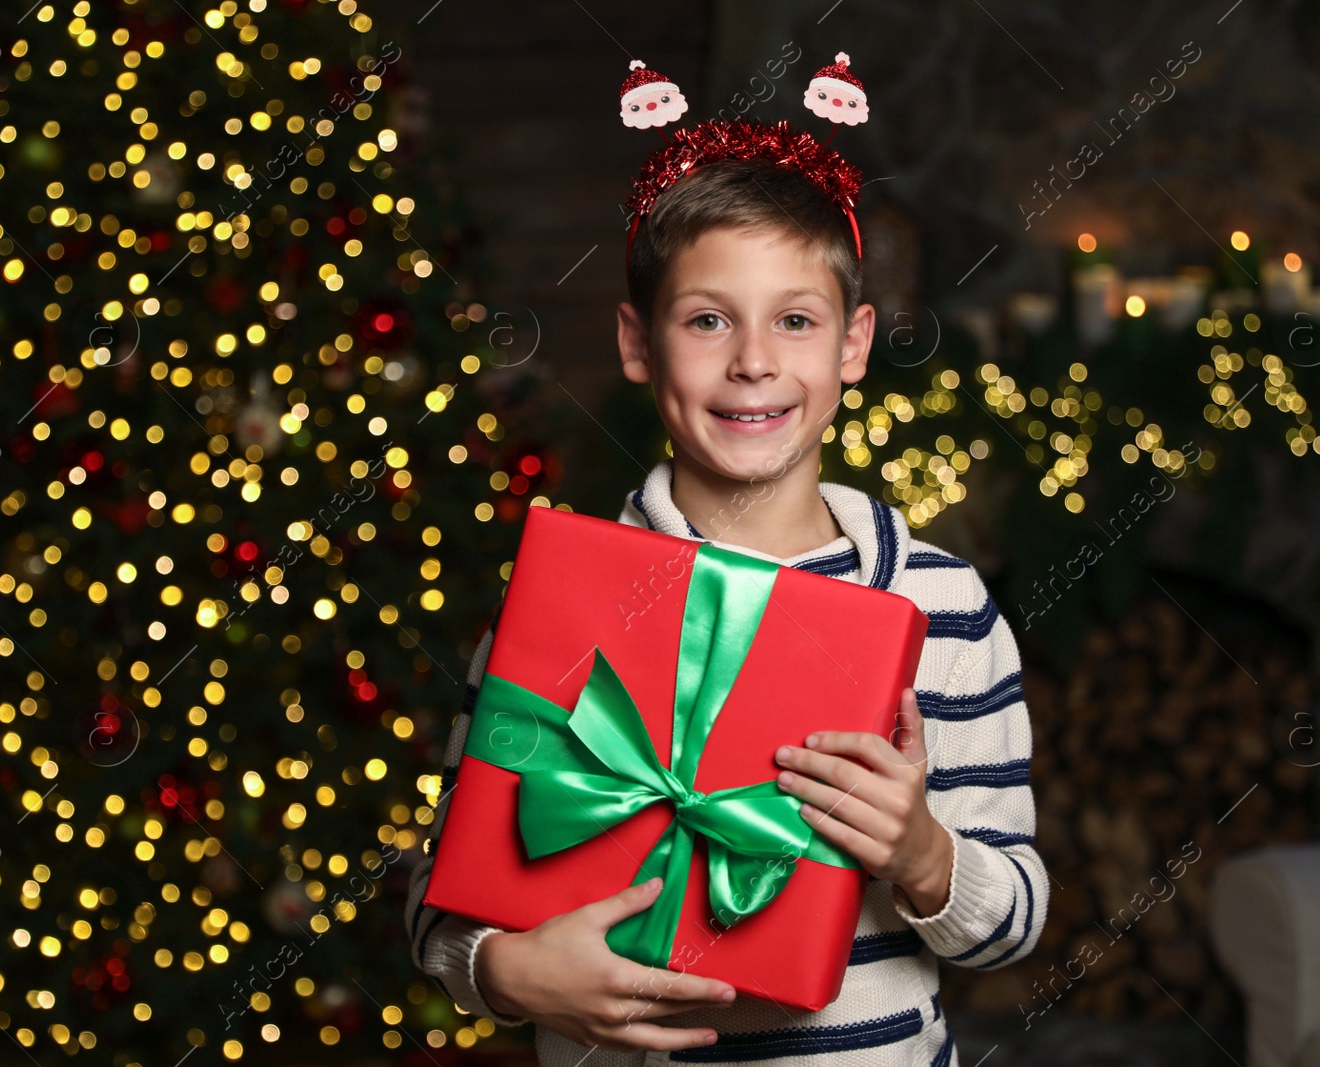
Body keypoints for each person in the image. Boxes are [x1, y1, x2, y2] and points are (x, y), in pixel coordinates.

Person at [406, 103, 1047, 1067]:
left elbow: (1015, 921)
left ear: (853, 345)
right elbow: (441, 894)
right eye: (708, 319)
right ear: (638, 343)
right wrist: (503, 971)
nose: (754, 362)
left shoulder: (942, 608)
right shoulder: (557, 601)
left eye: (796, 320)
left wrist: (919, 852)